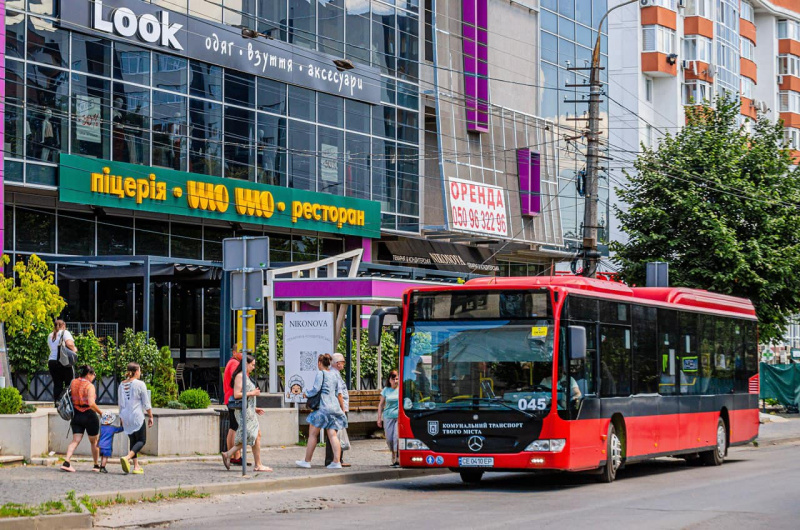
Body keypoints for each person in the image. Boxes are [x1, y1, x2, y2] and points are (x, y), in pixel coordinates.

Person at [296, 354, 347, 469]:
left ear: (319, 363)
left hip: (323, 408)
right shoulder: (334, 375)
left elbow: (316, 389)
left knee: (313, 435)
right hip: (334, 407)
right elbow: (337, 392)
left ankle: (307, 461)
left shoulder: (321, 373)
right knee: (333, 435)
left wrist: (306, 394)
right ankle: (336, 462)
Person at [221, 355, 271, 472]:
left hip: (249, 411)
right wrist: (253, 393)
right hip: (245, 413)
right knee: (252, 435)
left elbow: (245, 398)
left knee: (255, 435)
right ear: (246, 364)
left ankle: (256, 463)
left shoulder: (244, 376)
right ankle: (255, 463)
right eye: (252, 364)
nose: (253, 367)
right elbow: (237, 394)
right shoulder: (240, 376)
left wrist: (255, 408)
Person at [61, 365, 103, 473]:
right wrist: (100, 412)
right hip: (89, 415)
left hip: (76, 415)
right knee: (94, 442)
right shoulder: (90, 386)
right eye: (94, 375)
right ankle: (96, 465)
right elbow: (91, 404)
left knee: (75, 440)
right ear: (89, 374)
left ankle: (67, 461)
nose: (94, 377)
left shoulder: (73, 382)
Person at [118, 363, 153, 475]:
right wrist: (151, 416)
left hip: (125, 416)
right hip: (136, 416)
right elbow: (146, 403)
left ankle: (136, 466)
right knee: (141, 440)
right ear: (136, 371)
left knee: (133, 440)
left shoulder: (121, 385)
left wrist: (121, 417)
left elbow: (120, 403)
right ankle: (127, 457)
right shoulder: (140, 384)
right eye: (140, 370)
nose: (140, 373)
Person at [325, 353, 350, 468]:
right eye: (343, 362)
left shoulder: (333, 373)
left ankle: (333, 459)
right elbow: (339, 394)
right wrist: (343, 409)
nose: (344, 364)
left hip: (334, 407)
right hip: (338, 408)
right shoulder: (335, 374)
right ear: (337, 363)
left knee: (333, 434)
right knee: (335, 434)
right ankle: (336, 459)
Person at [222, 345, 243, 464]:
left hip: (230, 398)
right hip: (234, 399)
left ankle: (233, 455)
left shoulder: (231, 362)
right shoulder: (235, 364)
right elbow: (236, 380)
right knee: (235, 427)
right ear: (234, 353)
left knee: (233, 427)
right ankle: (235, 456)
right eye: (241, 351)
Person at [48, 320, 77, 404]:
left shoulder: (50, 335)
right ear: (63, 325)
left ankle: (57, 403)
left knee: (57, 383)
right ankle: (65, 401)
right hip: (63, 361)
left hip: (52, 362)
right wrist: (74, 349)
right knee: (69, 383)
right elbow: (70, 344)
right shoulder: (65, 333)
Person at [377, 370, 400, 467]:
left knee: (396, 437)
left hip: (399, 417)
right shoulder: (386, 390)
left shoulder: (401, 389)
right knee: (389, 439)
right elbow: (381, 404)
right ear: (389, 380)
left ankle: (397, 459)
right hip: (388, 416)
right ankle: (393, 453)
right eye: (393, 379)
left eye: (397, 379)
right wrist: (379, 418)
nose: (395, 381)